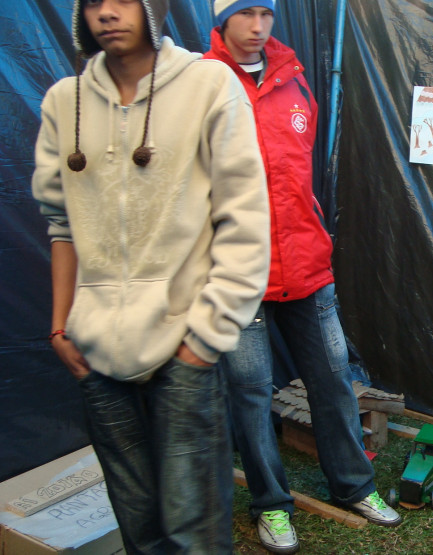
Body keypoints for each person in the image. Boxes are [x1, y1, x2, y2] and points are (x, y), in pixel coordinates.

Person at [31, 0, 270, 552]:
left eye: (121, 0)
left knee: (195, 534)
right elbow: (60, 223)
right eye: (93, 2)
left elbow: (246, 219)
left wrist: (205, 339)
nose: (107, 13)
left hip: (182, 346)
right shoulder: (63, 103)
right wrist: (60, 328)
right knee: (139, 532)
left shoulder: (208, 85)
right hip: (95, 355)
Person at [203, 1, 402, 551]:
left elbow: (300, 172)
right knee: (249, 393)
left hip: (307, 263)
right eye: (246, 13)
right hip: (238, 274)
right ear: (222, 20)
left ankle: (354, 485)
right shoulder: (201, 83)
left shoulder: (295, 81)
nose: (260, 25)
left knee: (334, 380)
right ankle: (271, 504)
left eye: (267, 13)